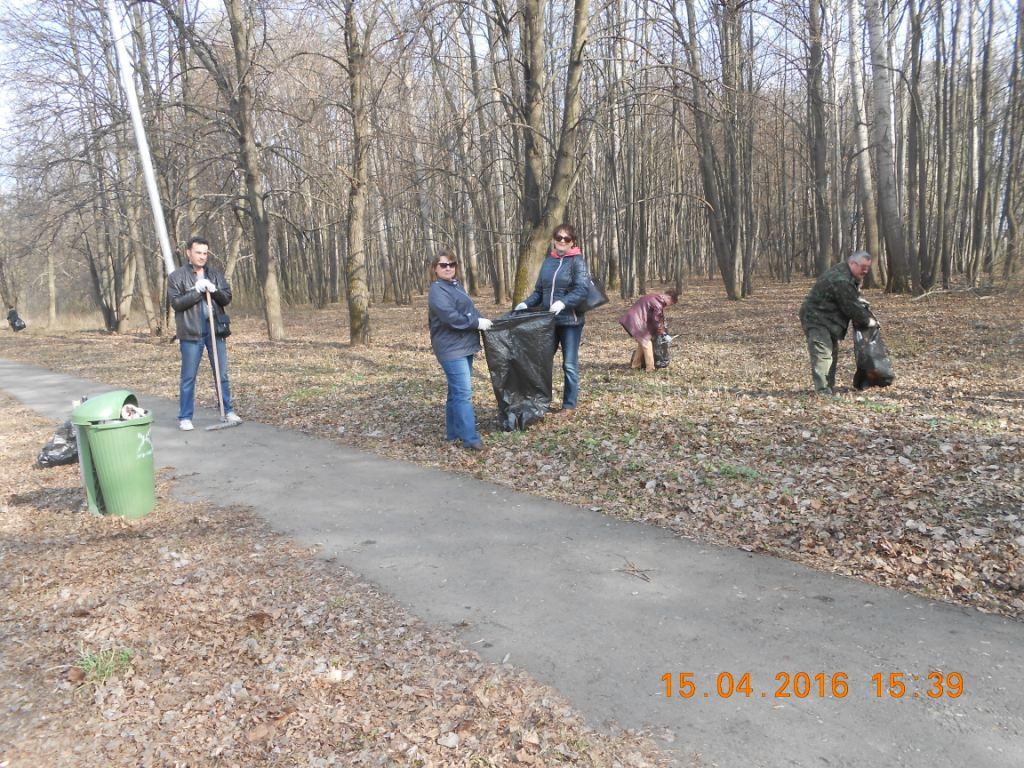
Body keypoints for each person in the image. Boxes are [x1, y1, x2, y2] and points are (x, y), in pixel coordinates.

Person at [514, 223, 591, 417]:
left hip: (570, 321)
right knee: (542, 361)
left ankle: (569, 405)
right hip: (549, 321)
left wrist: (563, 303)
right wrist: (525, 304)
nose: (562, 242)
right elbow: (539, 292)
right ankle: (541, 402)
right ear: (553, 241)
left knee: (569, 364)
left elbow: (582, 289)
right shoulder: (548, 262)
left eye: (566, 239)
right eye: (559, 238)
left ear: (572, 241)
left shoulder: (577, 262)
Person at [168, 237, 241, 431]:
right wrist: (196, 291)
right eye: (198, 252)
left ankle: (227, 410)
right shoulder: (176, 277)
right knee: (189, 376)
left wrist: (214, 289)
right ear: (189, 253)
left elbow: (226, 298)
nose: (202, 257)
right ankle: (185, 416)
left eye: (205, 253)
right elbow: (176, 303)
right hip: (192, 333)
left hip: (215, 331)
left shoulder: (214, 274)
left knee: (222, 374)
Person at [428, 251, 492, 451]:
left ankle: (453, 433)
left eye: (452, 264)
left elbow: (469, 311)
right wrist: (475, 323)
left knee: (455, 392)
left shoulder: (455, 286)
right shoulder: (437, 290)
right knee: (463, 393)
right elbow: (450, 317)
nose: (448, 268)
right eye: (443, 265)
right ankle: (470, 438)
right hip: (450, 348)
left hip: (464, 345)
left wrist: (484, 321)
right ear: (435, 269)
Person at [799, 250, 876, 396]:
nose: (865, 271)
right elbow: (851, 307)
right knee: (823, 353)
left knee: (832, 353)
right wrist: (868, 321)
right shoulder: (841, 279)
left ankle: (828, 386)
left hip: (829, 319)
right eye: (862, 267)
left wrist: (859, 301)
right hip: (816, 318)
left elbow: (850, 297)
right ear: (852, 263)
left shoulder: (847, 273)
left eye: (868, 267)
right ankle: (822, 391)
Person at [619, 290, 679, 371]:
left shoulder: (654, 297)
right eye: (671, 303)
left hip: (633, 320)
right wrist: (664, 334)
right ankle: (650, 368)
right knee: (647, 343)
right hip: (636, 322)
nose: (668, 305)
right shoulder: (658, 303)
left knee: (642, 343)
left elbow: (655, 318)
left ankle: (635, 365)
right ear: (669, 298)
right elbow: (656, 320)